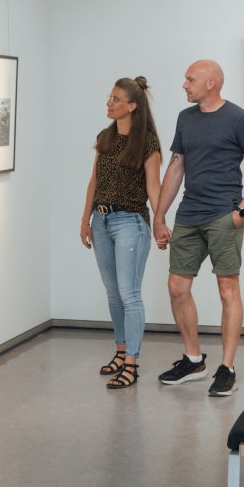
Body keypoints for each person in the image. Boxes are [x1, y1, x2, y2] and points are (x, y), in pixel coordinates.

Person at [153, 60, 244, 396]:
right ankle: (193, 360)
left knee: (227, 290)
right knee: (177, 287)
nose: (184, 84)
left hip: (224, 215)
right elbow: (176, 167)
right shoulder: (185, 118)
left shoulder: (237, 118)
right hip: (189, 214)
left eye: (189, 79)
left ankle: (227, 367)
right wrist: (160, 216)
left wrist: (242, 212)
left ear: (211, 83)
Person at [80, 77, 162, 389]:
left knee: (129, 294)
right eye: (109, 97)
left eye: (115, 99)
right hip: (101, 221)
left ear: (132, 106)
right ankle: (120, 351)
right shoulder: (104, 137)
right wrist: (85, 219)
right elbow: (94, 181)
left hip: (131, 222)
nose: (109, 103)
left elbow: (154, 187)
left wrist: (159, 222)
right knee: (113, 294)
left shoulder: (148, 143)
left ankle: (132, 364)